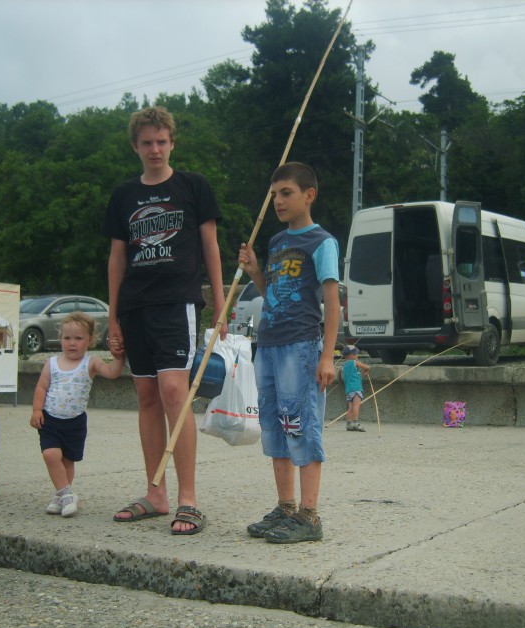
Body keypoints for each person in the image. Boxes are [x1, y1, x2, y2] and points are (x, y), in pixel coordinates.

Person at [102, 105, 226, 535]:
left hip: (177, 303)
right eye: (146, 143)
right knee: (147, 396)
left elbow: (210, 247)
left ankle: (188, 498)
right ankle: (156, 494)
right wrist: (113, 317)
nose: (154, 149)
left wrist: (220, 303)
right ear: (135, 147)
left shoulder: (193, 186)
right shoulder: (123, 195)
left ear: (172, 143)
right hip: (135, 305)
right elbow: (117, 257)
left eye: (161, 141)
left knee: (175, 391)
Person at [238, 161, 340, 544]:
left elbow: (332, 301)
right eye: (274, 195)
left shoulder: (322, 242)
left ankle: (309, 516)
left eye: (286, 193)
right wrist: (255, 272)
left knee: (301, 425)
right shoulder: (278, 242)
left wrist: (327, 356)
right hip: (268, 345)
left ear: (309, 195)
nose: (278, 201)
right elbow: (273, 295)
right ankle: (285, 507)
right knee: (275, 426)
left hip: (300, 347)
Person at [30, 312, 126, 517]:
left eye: (78, 338)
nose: (72, 343)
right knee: (50, 454)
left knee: (67, 460)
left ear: (90, 340)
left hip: (75, 422)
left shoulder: (90, 363)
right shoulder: (52, 363)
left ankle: (62, 494)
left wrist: (118, 358)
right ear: (61, 338)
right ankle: (66, 494)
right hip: (50, 419)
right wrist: (36, 410)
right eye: (67, 338)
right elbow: (41, 388)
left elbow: (112, 372)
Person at [341, 344, 370, 432]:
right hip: (356, 388)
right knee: (356, 406)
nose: (357, 356)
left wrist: (362, 374)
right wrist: (367, 369)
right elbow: (366, 367)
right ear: (351, 355)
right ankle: (355, 423)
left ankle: (348, 424)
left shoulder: (345, 365)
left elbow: (356, 375)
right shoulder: (354, 362)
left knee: (350, 407)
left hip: (348, 389)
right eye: (356, 354)